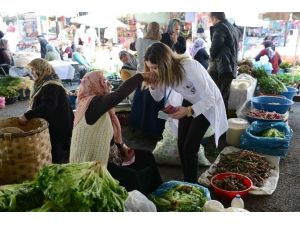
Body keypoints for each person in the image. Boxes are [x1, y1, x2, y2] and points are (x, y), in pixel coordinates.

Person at [144, 42, 228, 183]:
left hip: (206, 103)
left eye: (155, 67)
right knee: (181, 143)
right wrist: (153, 84)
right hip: (189, 100)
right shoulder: (163, 72)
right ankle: (187, 179)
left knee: (190, 147)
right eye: (150, 67)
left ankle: (192, 185)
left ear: (165, 63)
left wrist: (189, 111)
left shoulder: (189, 66)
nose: (153, 71)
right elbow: (157, 97)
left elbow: (211, 97)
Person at [69, 70, 162, 195]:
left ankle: (156, 195)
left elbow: (109, 135)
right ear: (93, 85)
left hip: (108, 155)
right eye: (103, 82)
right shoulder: (92, 103)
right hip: (91, 166)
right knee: (132, 178)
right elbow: (119, 94)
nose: (107, 84)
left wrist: (121, 146)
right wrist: (141, 76)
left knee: (147, 157)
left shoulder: (99, 105)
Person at [18, 58, 74, 163]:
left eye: (33, 70)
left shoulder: (51, 85)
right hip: (56, 125)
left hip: (58, 127)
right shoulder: (46, 82)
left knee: (57, 156)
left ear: (39, 70)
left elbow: (48, 106)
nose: (31, 73)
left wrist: (28, 115)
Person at [131, 21, 165, 138]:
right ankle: (151, 130)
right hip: (152, 76)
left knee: (139, 103)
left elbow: (134, 49)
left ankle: (137, 126)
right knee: (151, 106)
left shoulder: (140, 41)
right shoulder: (158, 44)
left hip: (140, 75)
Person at [207, 12, 239, 113]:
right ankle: (223, 124)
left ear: (214, 17)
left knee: (217, 97)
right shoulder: (232, 27)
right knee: (224, 97)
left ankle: (218, 123)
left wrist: (211, 54)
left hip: (220, 68)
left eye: (210, 18)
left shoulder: (220, 27)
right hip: (229, 67)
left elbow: (214, 50)